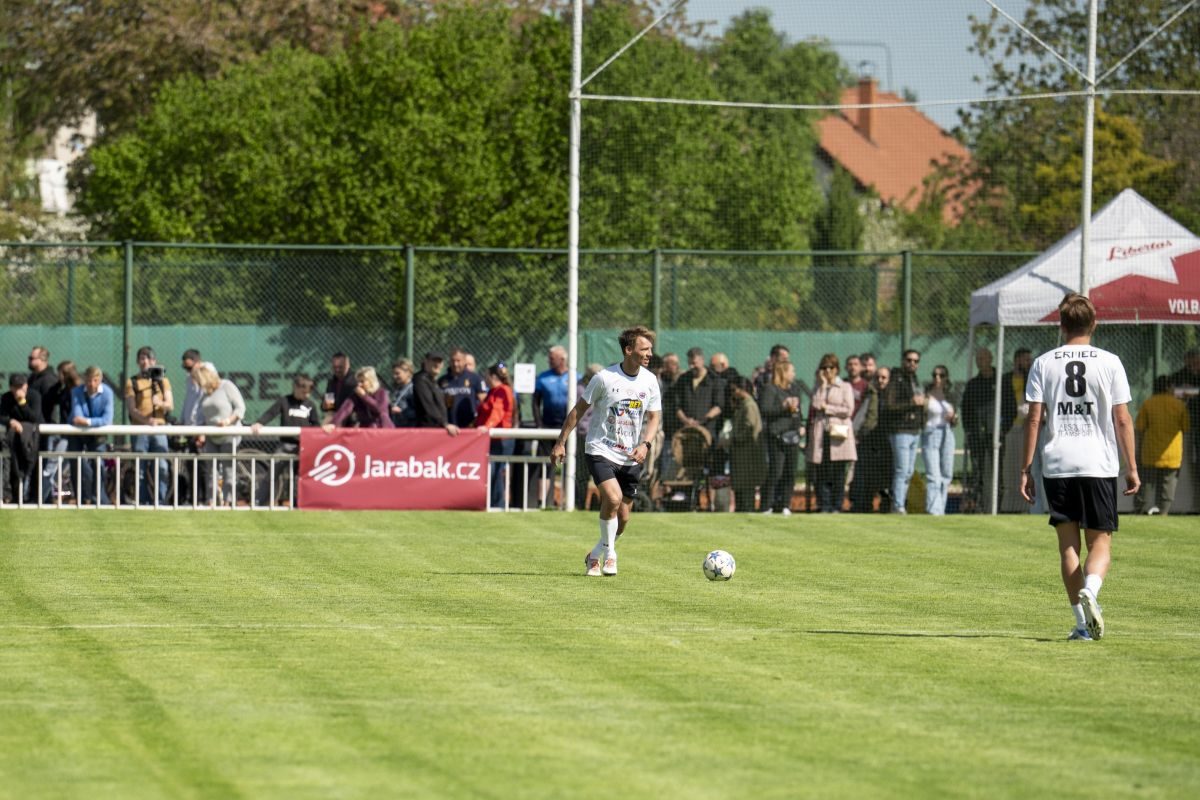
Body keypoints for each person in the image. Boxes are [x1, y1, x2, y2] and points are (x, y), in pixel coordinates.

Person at [1020, 292, 1140, 642]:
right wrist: (1131, 466)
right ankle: (1092, 590)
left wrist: (1026, 467)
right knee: (1100, 541)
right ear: (1094, 323)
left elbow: (1034, 420)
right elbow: (1122, 419)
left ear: (1061, 325)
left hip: (1057, 464)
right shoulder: (1110, 362)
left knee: (1068, 546)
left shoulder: (1044, 362)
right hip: (1098, 464)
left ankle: (1080, 624)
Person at [550, 326, 661, 577]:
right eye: (644, 349)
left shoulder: (650, 381)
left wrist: (645, 444)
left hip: (631, 455)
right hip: (600, 448)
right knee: (612, 499)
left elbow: (654, 417)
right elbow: (578, 410)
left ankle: (595, 555)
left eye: (650, 350)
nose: (649, 354)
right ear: (628, 350)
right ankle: (611, 556)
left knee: (623, 520)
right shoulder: (604, 378)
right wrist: (560, 442)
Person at [251, 373, 320, 506]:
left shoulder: (310, 404)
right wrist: (260, 422)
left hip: (303, 446)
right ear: (295, 387)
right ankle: (259, 502)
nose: (306, 395)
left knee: (299, 477)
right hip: (285, 445)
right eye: (303, 392)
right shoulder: (284, 401)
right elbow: (271, 413)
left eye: (308, 393)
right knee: (272, 473)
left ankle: (299, 503)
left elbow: (316, 424)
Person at [124, 345, 174, 505]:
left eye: (148, 358)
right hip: (140, 430)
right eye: (142, 358)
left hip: (160, 428)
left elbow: (170, 405)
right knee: (140, 468)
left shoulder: (162, 381)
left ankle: (160, 501)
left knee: (161, 467)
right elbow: (132, 410)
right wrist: (146, 421)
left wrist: (160, 403)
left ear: (154, 361)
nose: (145, 361)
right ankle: (142, 501)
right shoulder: (132, 382)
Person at [807, 354, 856, 513]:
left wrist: (828, 408)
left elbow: (848, 409)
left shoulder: (845, 387)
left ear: (837, 369)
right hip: (822, 433)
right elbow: (815, 404)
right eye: (824, 368)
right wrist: (822, 386)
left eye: (831, 367)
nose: (828, 371)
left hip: (838, 433)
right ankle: (824, 504)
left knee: (838, 472)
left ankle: (836, 505)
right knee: (821, 471)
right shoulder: (818, 386)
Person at [1134, 375, 1190, 516]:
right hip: (1172, 455)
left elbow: (1140, 428)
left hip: (1150, 453)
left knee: (1146, 484)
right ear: (1167, 387)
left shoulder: (1148, 403)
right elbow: (1186, 428)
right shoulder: (1179, 405)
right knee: (1167, 486)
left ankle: (1140, 511)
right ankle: (1163, 512)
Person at [193, 363, 247, 505]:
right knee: (211, 471)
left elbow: (240, 408)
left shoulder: (226, 386)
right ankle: (211, 501)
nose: (198, 384)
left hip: (229, 435)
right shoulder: (204, 393)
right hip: (212, 436)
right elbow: (202, 416)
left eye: (199, 381)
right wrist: (202, 433)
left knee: (228, 469)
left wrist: (228, 421)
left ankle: (228, 502)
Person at [759, 360, 805, 515]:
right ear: (783, 372)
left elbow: (797, 412)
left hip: (793, 435)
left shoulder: (795, 390)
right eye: (791, 371)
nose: (794, 374)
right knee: (775, 471)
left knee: (790, 472)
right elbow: (765, 410)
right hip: (777, 436)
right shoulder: (770, 389)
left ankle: (785, 504)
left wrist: (800, 426)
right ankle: (767, 505)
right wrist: (783, 406)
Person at [883, 349, 926, 513]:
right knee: (901, 469)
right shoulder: (896, 378)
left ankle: (901, 502)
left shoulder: (915, 380)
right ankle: (898, 505)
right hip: (900, 430)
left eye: (916, 361)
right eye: (909, 360)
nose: (912, 364)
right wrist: (911, 402)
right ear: (903, 361)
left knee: (908, 470)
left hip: (914, 430)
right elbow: (890, 404)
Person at [69, 366, 115, 505]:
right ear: (84, 380)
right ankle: (81, 498)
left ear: (100, 380)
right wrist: (94, 422)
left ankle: (98, 498)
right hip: (77, 433)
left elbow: (107, 419)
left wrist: (88, 421)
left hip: (97, 435)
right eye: (89, 381)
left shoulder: (107, 393)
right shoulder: (76, 392)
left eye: (95, 380)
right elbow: (77, 415)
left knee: (98, 465)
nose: (91, 384)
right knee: (75, 463)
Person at [849, 367, 892, 512]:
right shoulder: (870, 394)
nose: (880, 381)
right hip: (868, 440)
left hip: (886, 441)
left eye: (884, 378)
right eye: (878, 377)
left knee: (886, 476)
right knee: (865, 474)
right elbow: (862, 416)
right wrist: (858, 433)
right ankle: (863, 505)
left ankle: (886, 505)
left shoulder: (893, 396)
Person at [474, 363, 516, 510]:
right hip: (493, 439)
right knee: (493, 472)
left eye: (486, 375)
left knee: (498, 472)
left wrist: (487, 427)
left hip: (502, 439)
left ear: (492, 376)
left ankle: (498, 505)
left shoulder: (503, 391)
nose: (484, 378)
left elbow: (498, 411)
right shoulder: (493, 391)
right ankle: (493, 503)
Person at [961, 348, 997, 513]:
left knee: (999, 472)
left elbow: (1009, 406)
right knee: (978, 472)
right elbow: (965, 410)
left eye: (983, 358)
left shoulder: (1001, 381)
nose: (980, 361)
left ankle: (998, 506)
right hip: (977, 436)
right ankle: (979, 507)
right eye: (978, 358)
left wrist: (1002, 428)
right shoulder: (972, 384)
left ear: (990, 359)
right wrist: (969, 431)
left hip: (997, 435)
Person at [42, 361, 82, 502]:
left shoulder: (77, 390)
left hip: (71, 435)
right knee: (54, 467)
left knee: (51, 467)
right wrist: (59, 385)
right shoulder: (64, 389)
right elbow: (51, 399)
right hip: (64, 433)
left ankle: (43, 497)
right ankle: (45, 497)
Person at [922, 365, 959, 515]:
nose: (938, 378)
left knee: (946, 474)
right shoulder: (926, 395)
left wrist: (953, 417)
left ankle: (940, 509)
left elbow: (955, 421)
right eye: (935, 375)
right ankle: (933, 510)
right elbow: (921, 415)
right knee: (933, 475)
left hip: (947, 433)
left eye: (941, 375)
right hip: (930, 433)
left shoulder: (950, 396)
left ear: (946, 378)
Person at [1, 374, 43, 503]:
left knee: (30, 467)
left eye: (22, 386)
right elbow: (2, 415)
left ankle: (29, 497)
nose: (19, 390)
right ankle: (11, 496)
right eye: (16, 387)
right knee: (11, 466)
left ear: (26, 385)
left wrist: (22, 402)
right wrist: (11, 422)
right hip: (12, 440)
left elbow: (35, 417)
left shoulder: (34, 396)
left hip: (30, 440)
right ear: (11, 387)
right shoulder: (6, 397)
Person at [727, 376, 765, 512]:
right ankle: (742, 509)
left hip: (747, 454)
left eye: (734, 389)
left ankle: (747, 509)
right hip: (742, 452)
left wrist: (735, 438)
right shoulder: (743, 404)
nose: (733, 393)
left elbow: (749, 427)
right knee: (741, 486)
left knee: (746, 486)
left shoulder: (749, 405)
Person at [324, 366, 394, 430]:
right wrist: (333, 423)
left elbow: (380, 409)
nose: (359, 384)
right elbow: (345, 409)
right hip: (366, 430)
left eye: (362, 381)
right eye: (358, 381)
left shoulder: (382, 393)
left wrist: (364, 396)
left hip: (383, 429)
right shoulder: (356, 395)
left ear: (371, 381)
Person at [412, 353, 459, 436]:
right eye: (434, 361)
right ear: (425, 362)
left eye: (440, 362)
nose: (437, 364)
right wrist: (445, 423)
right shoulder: (420, 379)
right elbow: (428, 405)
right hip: (427, 431)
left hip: (438, 428)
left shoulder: (433, 381)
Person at [439, 347, 487, 428]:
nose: (455, 364)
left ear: (464, 361)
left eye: (458, 361)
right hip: (449, 427)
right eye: (453, 361)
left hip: (470, 426)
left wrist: (479, 420)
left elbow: (484, 402)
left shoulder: (475, 378)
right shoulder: (442, 380)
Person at [322, 352, 357, 419]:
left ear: (348, 365)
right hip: (336, 419)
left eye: (340, 367)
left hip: (352, 419)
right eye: (335, 367)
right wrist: (325, 405)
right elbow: (329, 406)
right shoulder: (331, 383)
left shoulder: (355, 381)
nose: (337, 370)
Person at [389, 358, 417, 427]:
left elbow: (419, 412)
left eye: (397, 373)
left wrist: (401, 411)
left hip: (408, 429)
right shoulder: (396, 389)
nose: (394, 376)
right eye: (393, 373)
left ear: (408, 373)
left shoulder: (413, 389)